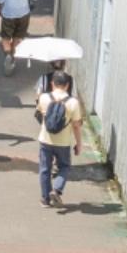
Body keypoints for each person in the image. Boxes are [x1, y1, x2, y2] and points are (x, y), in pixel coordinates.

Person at [35, 70, 83, 208]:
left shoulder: (44, 98)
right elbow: (76, 126)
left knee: (45, 169)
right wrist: (79, 143)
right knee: (64, 167)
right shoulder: (73, 102)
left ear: (52, 84)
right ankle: (56, 189)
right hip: (63, 142)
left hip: (45, 139)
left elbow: (39, 113)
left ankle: (45, 199)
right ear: (67, 85)